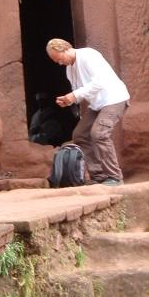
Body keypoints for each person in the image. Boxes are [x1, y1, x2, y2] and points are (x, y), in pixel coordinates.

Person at [46, 38, 130, 186]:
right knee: (80, 135)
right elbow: (80, 92)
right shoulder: (69, 69)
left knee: (99, 133)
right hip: (97, 105)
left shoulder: (88, 55)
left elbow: (100, 81)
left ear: (65, 49)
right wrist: (69, 100)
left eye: (59, 59)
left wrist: (75, 95)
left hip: (114, 99)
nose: (60, 63)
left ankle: (115, 177)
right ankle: (99, 176)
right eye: (57, 62)